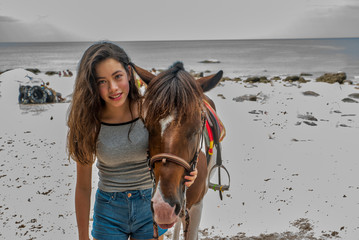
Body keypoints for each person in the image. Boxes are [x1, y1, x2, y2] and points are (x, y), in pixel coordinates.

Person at [66, 42, 198, 240]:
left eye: (117, 76)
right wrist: (82, 236)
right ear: (92, 84)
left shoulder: (152, 111)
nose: (113, 88)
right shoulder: (89, 123)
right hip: (109, 211)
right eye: (102, 81)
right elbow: (83, 187)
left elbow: (175, 148)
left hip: (149, 207)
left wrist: (188, 172)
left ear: (129, 72)